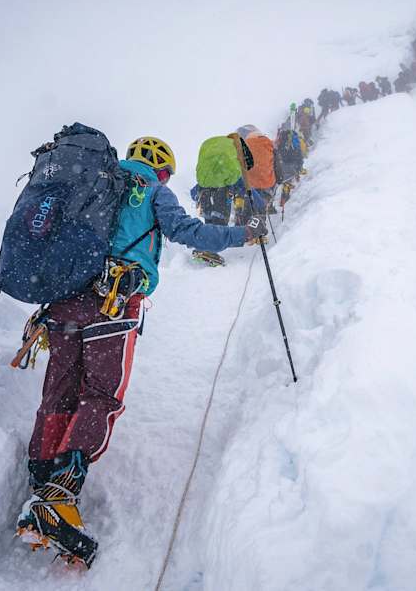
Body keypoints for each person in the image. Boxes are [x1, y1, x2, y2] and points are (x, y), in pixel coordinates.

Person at [16, 132, 264, 566]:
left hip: (64, 299)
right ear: (161, 167)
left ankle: (41, 482)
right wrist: (246, 232)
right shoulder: (151, 188)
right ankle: (60, 497)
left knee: (59, 390)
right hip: (114, 302)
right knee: (100, 395)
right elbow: (188, 231)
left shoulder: (95, 180)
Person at [189, 135, 246, 264]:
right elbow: (241, 186)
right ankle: (208, 251)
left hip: (204, 192)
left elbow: (194, 191)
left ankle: (202, 247)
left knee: (208, 222)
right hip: (222, 194)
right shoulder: (231, 166)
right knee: (220, 223)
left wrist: (197, 195)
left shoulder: (214, 168)